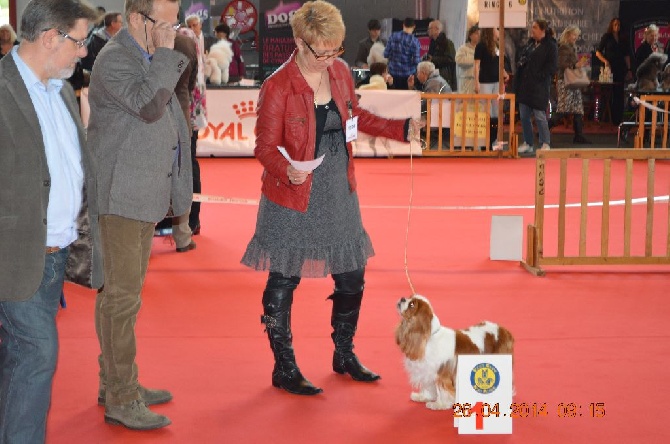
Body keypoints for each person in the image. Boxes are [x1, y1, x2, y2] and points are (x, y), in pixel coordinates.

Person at [241, 0, 422, 396]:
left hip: (338, 186)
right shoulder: (277, 86)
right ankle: (283, 366)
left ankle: (343, 353)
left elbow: (357, 119)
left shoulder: (340, 72)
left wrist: (401, 127)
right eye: (321, 51)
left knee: (353, 274)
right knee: (283, 279)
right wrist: (285, 170)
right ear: (300, 43)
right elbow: (264, 147)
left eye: (335, 49)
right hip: (292, 191)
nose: (329, 59)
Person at [87, 0, 192, 430]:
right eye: (163, 23)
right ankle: (122, 395)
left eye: (175, 23)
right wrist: (168, 55)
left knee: (118, 294)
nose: (171, 31)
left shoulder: (145, 57)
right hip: (122, 195)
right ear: (135, 19)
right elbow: (150, 106)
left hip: (140, 193)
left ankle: (114, 380)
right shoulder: (115, 60)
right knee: (122, 299)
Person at [0, 1, 102, 442]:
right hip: (15, 255)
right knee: (38, 355)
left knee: (20, 360)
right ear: (50, 38)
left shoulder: (59, 89)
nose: (83, 53)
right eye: (79, 41)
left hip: (57, 256)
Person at [515, 19, 557, 153]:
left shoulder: (551, 45)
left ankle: (545, 142)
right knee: (524, 116)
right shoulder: (530, 44)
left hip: (539, 86)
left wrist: (540, 75)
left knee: (539, 115)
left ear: (542, 30)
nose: (532, 30)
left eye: (534, 27)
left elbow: (552, 66)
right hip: (525, 85)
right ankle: (528, 142)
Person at [185, 14, 207, 234]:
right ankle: (192, 221)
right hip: (192, 117)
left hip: (187, 119)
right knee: (190, 165)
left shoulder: (184, 45)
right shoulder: (194, 50)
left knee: (189, 167)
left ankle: (192, 220)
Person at [474, 27, 510, 148]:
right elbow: (476, 66)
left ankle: (495, 140)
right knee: (486, 111)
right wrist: (476, 82)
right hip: (485, 82)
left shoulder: (498, 46)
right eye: (497, 29)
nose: (499, 32)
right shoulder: (481, 46)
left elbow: (499, 63)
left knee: (497, 111)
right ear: (491, 31)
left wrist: (505, 73)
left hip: (497, 82)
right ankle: (484, 141)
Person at [555, 26, 591, 144]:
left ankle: (579, 135)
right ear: (568, 35)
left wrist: (578, 64)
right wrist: (576, 65)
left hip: (572, 82)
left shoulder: (572, 48)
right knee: (564, 109)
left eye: (577, 35)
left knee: (578, 109)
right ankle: (544, 129)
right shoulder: (564, 47)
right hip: (565, 81)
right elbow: (561, 64)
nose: (576, 37)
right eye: (573, 35)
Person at [595, 18, 632, 125]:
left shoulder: (623, 38)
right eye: (615, 24)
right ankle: (606, 117)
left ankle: (618, 118)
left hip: (620, 68)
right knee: (608, 93)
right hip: (609, 69)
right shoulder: (607, 37)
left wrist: (629, 69)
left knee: (619, 93)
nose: (617, 27)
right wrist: (605, 61)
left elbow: (626, 55)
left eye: (619, 25)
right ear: (612, 25)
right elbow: (598, 52)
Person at [384, 17, 421, 90]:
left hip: (392, 74)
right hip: (407, 76)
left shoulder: (393, 36)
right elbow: (416, 61)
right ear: (414, 27)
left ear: (403, 25)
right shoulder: (415, 41)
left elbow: (386, 54)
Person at [425, 19, 456, 91]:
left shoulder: (448, 43)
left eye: (430, 28)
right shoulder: (433, 43)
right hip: (434, 75)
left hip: (445, 76)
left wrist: (433, 59)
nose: (428, 30)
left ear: (436, 29)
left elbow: (450, 59)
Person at [455, 24, 479, 94]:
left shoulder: (483, 49)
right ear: (470, 35)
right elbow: (459, 60)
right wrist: (476, 60)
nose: (479, 35)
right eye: (476, 33)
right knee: (467, 103)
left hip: (479, 81)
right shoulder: (463, 48)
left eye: (480, 33)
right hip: (467, 80)